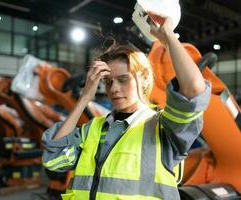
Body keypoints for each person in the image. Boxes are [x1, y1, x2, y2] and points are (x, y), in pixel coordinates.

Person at [41, 11, 211, 200]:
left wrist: (168, 36)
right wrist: (84, 99)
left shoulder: (163, 129)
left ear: (145, 79)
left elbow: (194, 89)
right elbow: (54, 159)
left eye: (123, 80)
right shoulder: (92, 130)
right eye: (108, 82)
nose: (114, 89)